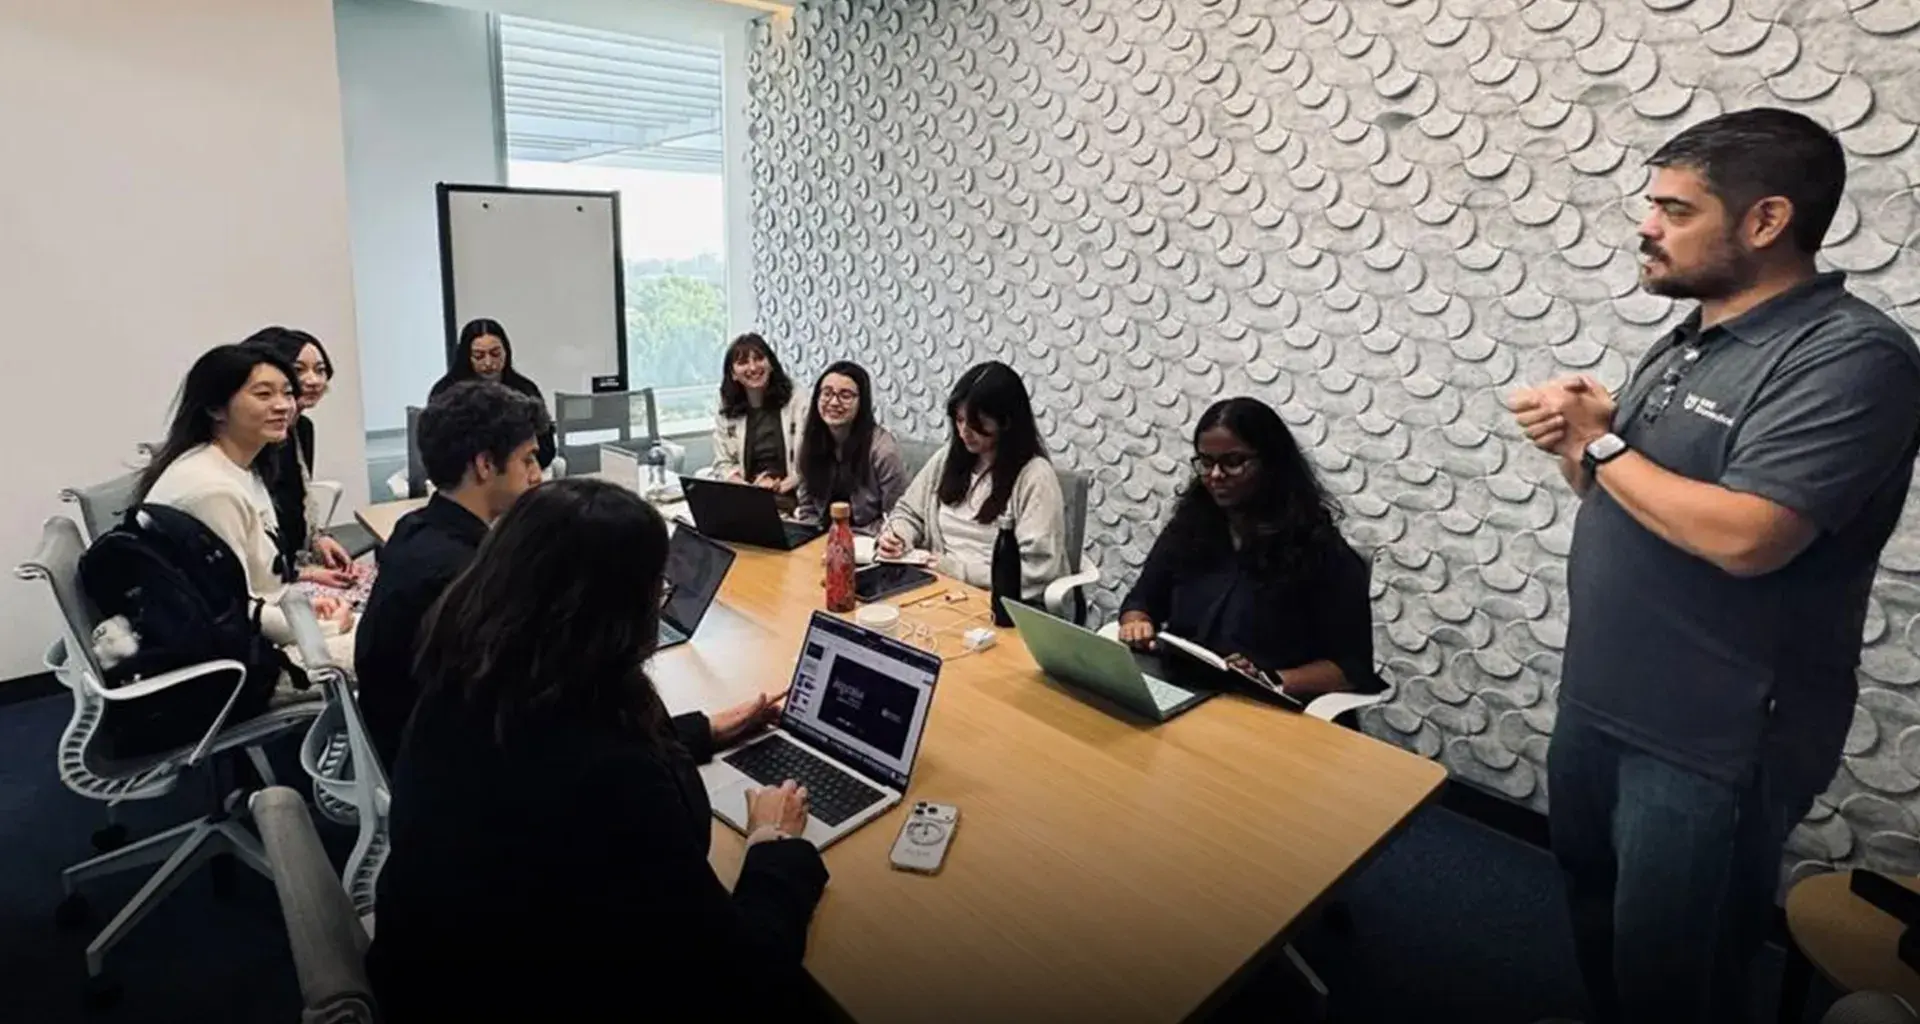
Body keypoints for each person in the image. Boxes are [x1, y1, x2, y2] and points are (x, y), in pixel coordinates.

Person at [1508, 108, 1920, 1023]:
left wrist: (1603, 450)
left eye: (1674, 208)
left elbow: (1746, 537)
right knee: (1598, 921)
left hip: (1712, 741)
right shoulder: (1694, 334)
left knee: (1676, 974)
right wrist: (1578, 444)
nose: (1645, 224)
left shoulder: (1854, 357)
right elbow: (1628, 498)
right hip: (1603, 703)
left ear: (1766, 221)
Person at [367, 478, 827, 1020]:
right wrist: (773, 845)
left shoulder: (468, 679)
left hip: (435, 977)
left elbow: (556, 759)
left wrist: (701, 729)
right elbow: (740, 975)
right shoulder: (613, 780)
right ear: (610, 612)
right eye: (656, 590)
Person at [1116, 397, 1380, 702]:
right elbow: (1143, 599)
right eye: (1205, 462)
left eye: (1233, 462)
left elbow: (1350, 669)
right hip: (1187, 689)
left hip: (1267, 705)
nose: (1215, 475)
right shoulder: (1189, 529)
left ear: (1271, 464)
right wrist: (1136, 622)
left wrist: (1268, 679)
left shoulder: (1319, 550)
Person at [353, 380, 551, 769]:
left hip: (402, 746)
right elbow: (529, 707)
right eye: (528, 459)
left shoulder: (416, 528)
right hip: (452, 775)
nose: (537, 475)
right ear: (485, 465)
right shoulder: (462, 574)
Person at [137, 345, 356, 666]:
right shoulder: (212, 491)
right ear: (216, 408)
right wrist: (327, 628)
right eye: (264, 395)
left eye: (286, 393)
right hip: (235, 661)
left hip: (255, 630)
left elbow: (258, 584)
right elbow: (240, 610)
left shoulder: (240, 467)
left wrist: (303, 609)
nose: (284, 406)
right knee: (399, 643)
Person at [878, 361, 1069, 601]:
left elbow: (1036, 570)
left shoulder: (1035, 476)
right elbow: (908, 512)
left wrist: (957, 571)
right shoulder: (948, 458)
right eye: (958, 420)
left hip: (997, 599)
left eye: (977, 424)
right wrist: (898, 536)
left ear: (1006, 422)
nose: (964, 432)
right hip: (936, 588)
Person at [239, 327, 358, 592]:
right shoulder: (250, 441)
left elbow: (296, 504)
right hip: (267, 580)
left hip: (294, 564)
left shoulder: (302, 429)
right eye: (299, 369)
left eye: (320, 369)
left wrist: (318, 540)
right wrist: (303, 573)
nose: (313, 380)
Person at [792, 360, 908, 531]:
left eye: (845, 395)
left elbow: (899, 516)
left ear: (862, 403)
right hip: (820, 539)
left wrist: (851, 538)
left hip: (869, 541)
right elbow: (808, 509)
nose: (833, 402)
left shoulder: (883, 451)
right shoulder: (809, 443)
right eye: (826, 393)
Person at [429, 318, 554, 467]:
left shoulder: (524, 390)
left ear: (506, 352)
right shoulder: (446, 393)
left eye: (495, 353)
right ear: (466, 357)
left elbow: (545, 447)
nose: (488, 363)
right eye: (479, 356)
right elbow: (437, 451)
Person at [708, 332, 805, 504]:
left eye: (759, 359)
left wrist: (780, 486)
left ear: (771, 364)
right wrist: (748, 489)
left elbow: (815, 458)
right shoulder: (726, 407)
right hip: (749, 499)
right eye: (743, 362)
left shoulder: (799, 401)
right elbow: (723, 464)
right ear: (733, 374)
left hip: (794, 496)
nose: (753, 368)